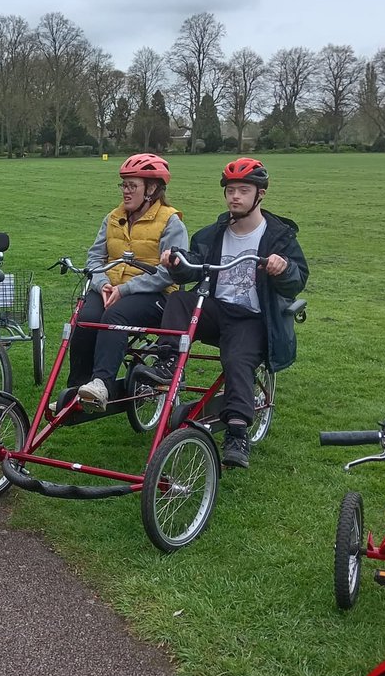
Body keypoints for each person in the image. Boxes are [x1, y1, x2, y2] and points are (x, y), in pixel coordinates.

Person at [141, 157, 308, 470]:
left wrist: (282, 269)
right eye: (230, 190)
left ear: (260, 195)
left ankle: (237, 431)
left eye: (243, 190)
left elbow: (297, 280)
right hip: (215, 310)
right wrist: (176, 261)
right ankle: (167, 364)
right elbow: (192, 265)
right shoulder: (213, 233)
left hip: (251, 317)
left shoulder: (279, 236)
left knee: (237, 359)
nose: (235, 197)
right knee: (179, 301)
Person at [68, 153, 189, 411]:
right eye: (123, 184)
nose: (125, 191)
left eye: (132, 185)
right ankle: (77, 390)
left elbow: (169, 273)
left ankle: (101, 384)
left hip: (156, 295)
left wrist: (125, 290)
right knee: (85, 318)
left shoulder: (171, 221)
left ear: (152, 189)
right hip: (110, 289)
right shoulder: (113, 217)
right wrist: (102, 284)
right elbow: (95, 256)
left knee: (115, 317)